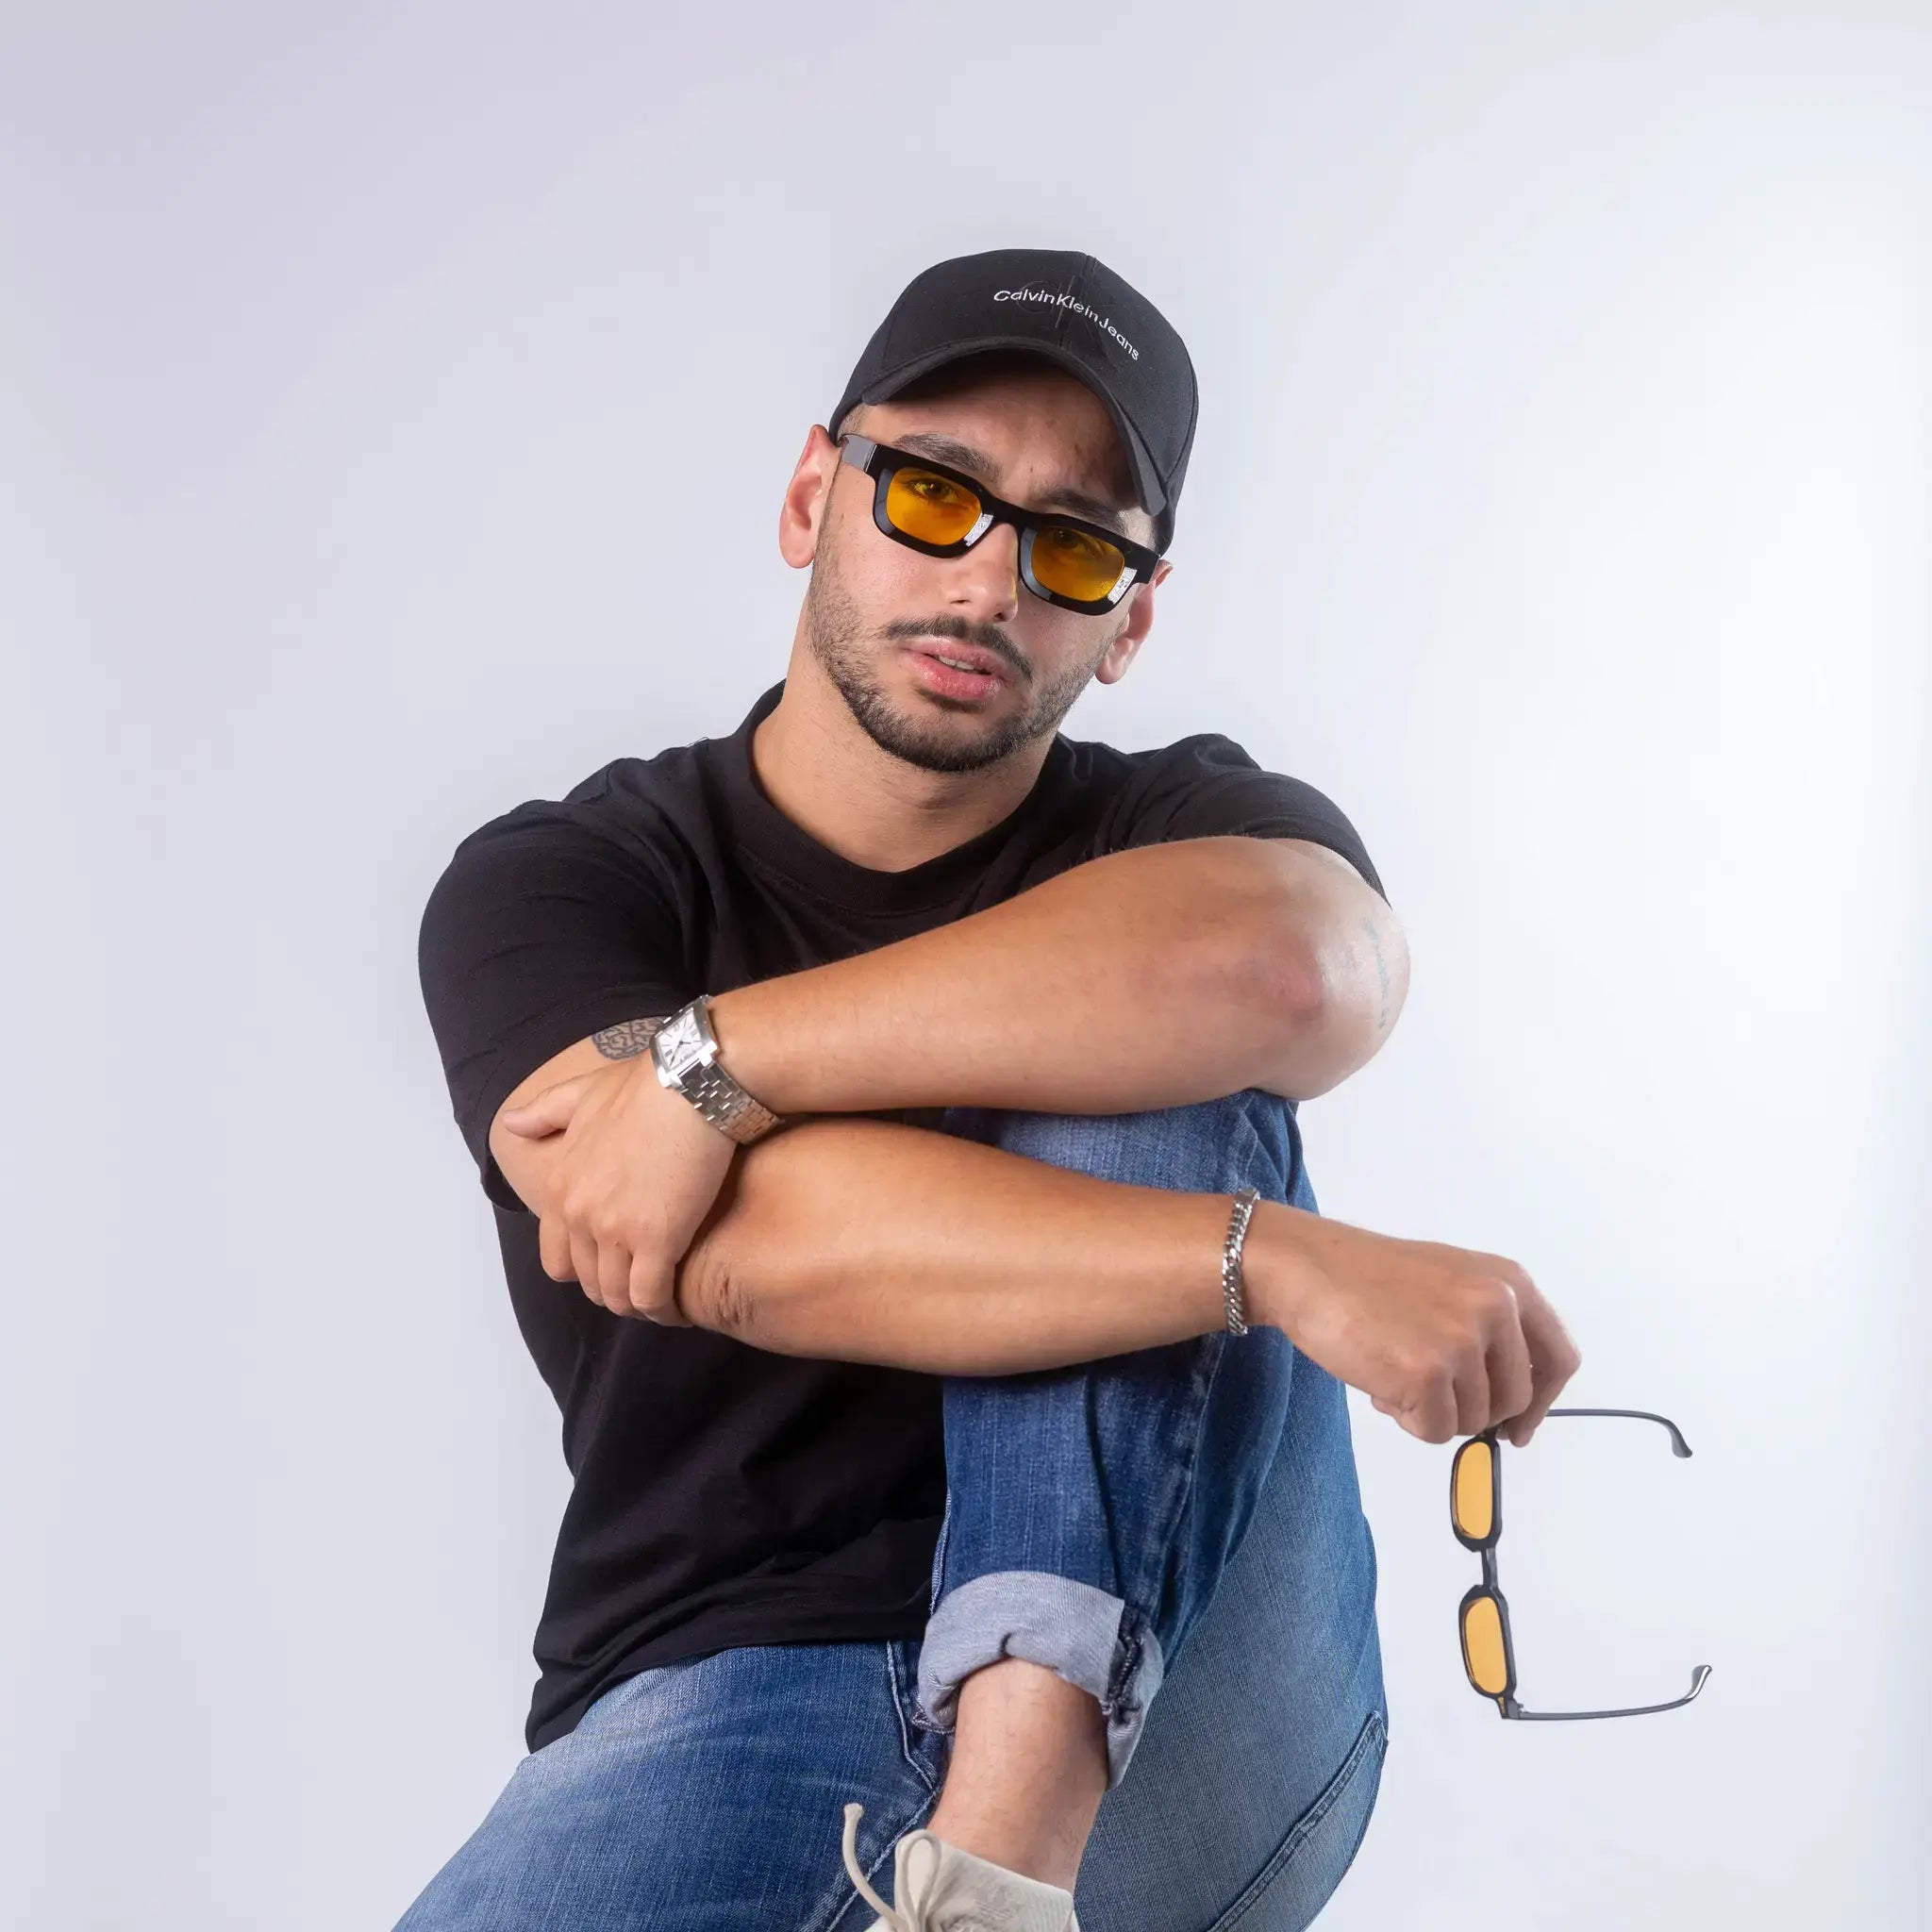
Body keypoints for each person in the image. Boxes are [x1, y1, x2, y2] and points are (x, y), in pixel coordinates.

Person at [402, 247, 1581, 1932]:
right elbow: (731, 1246)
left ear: (1131, 621)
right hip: (735, 1666)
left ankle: (1000, 1876)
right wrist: (1276, 1260)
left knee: (1139, 1020)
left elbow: (1300, 971)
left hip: (1191, 1698)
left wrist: (719, 1063)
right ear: (817, 491)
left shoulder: (1178, 828)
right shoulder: (571, 883)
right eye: (938, 494)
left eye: (1077, 542)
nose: (992, 581)